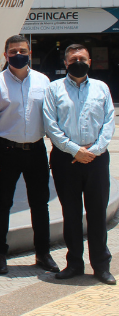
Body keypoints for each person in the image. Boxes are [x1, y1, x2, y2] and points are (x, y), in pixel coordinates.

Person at [43, 44, 116, 285]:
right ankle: (74, 263)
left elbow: (108, 122)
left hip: (96, 159)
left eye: (82, 58)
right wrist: (75, 150)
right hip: (66, 159)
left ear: (90, 62)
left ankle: (101, 265)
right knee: (71, 213)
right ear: (65, 63)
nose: (78, 62)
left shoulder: (101, 88)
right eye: (73, 59)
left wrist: (92, 151)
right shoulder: (54, 89)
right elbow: (50, 124)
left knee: (97, 213)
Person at [0, 35, 58, 275]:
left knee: (40, 203)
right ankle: (0, 253)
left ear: (29, 51)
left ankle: (43, 252)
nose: (18, 54)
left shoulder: (43, 81)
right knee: (2, 203)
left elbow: (50, 117)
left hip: (36, 149)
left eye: (22, 50)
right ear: (5, 55)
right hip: (7, 150)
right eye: (13, 51)